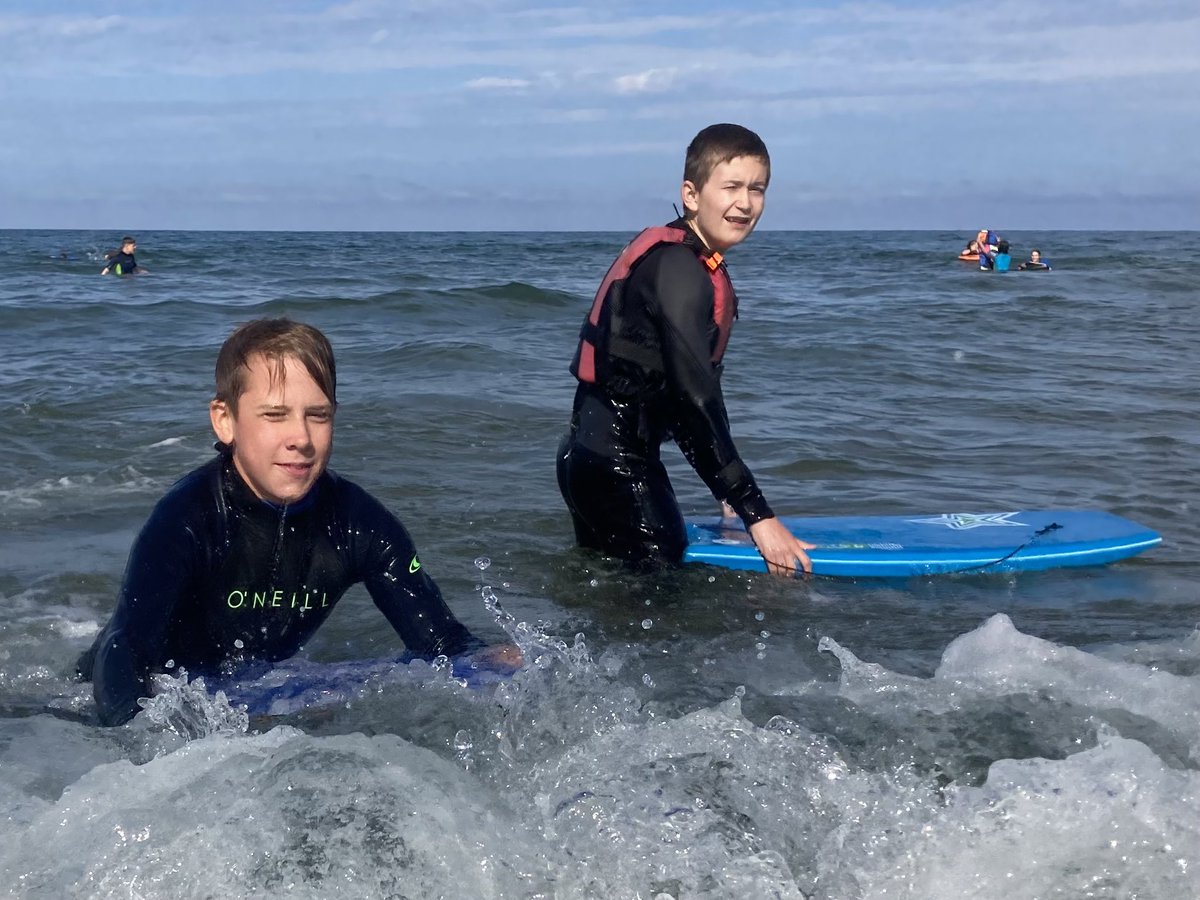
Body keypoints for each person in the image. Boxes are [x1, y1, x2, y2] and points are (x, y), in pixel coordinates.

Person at [77, 318, 521, 725]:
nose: (301, 439)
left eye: (318, 415)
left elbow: (442, 646)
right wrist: (140, 746)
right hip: (120, 693)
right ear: (225, 420)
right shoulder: (186, 520)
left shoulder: (360, 525)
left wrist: (503, 667)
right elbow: (124, 653)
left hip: (250, 692)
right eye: (275, 415)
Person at [556, 123, 814, 576]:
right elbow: (695, 399)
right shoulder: (679, 270)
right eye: (731, 186)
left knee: (607, 597)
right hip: (619, 468)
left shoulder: (688, 260)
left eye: (757, 189)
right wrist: (759, 515)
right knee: (659, 607)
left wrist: (726, 492)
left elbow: (693, 393)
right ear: (692, 195)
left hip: (588, 459)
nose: (746, 203)